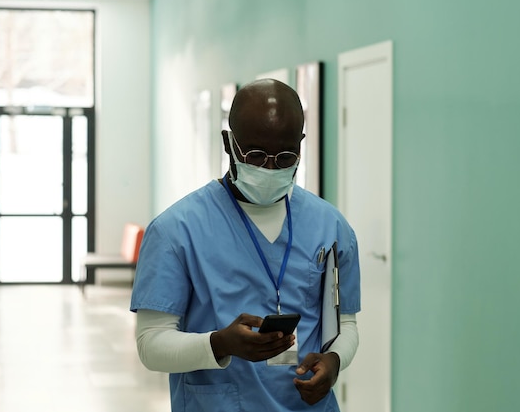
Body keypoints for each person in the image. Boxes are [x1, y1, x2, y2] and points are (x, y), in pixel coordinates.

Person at [130, 78, 361, 411]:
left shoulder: (330, 226)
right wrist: (219, 344)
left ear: (301, 145)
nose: (269, 168)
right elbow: (150, 344)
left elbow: (347, 325)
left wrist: (335, 360)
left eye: (284, 158)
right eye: (255, 155)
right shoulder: (175, 231)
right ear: (229, 143)